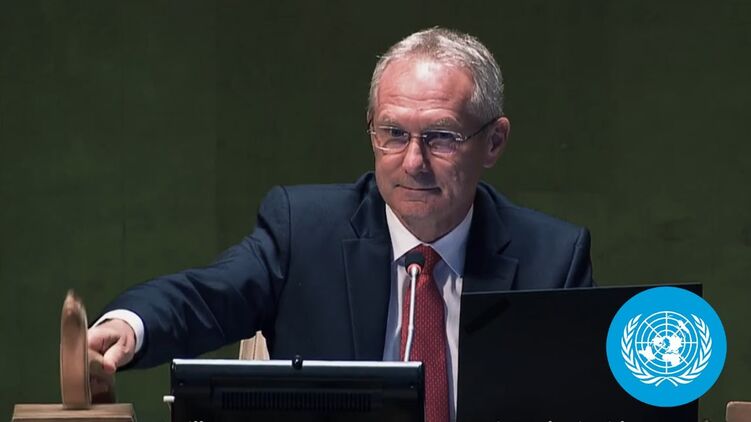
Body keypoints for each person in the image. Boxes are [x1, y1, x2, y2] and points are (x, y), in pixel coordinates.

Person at [88, 27, 594, 421]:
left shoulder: (552, 259)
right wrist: (129, 326)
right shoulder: (304, 232)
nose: (413, 162)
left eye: (441, 137)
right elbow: (207, 296)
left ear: (494, 142)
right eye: (393, 133)